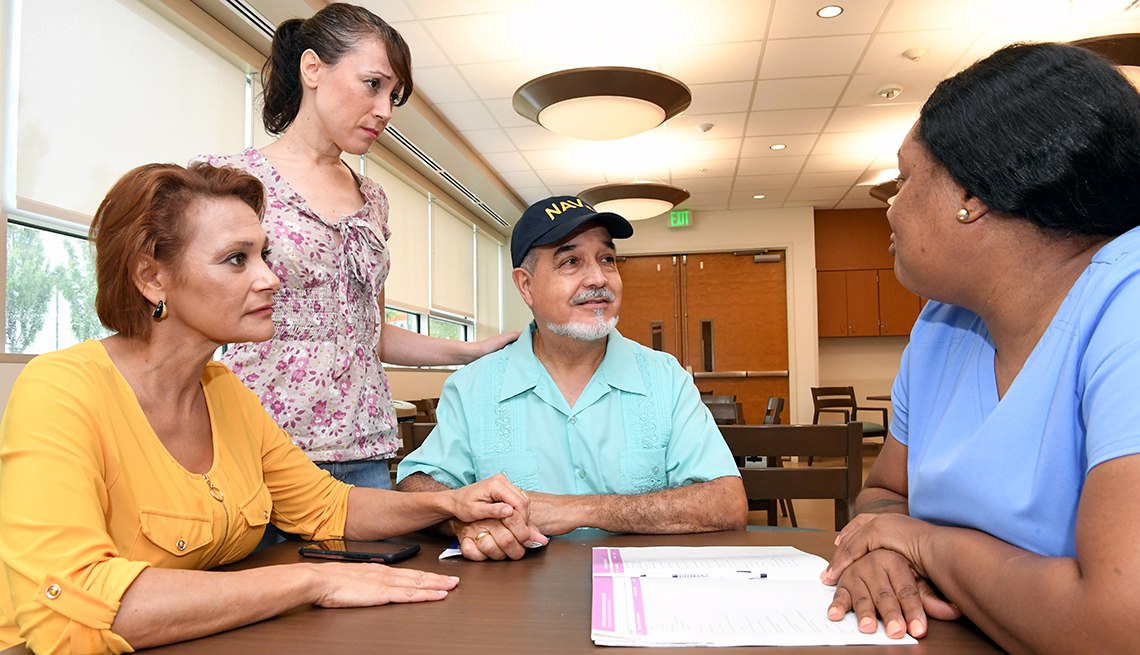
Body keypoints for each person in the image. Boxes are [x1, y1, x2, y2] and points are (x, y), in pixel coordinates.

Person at [0, 162, 534, 655]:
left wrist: (451, 504)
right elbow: (73, 606)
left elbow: (329, 507)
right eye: (237, 259)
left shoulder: (224, 392)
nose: (271, 278)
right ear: (152, 278)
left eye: (264, 254)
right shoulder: (61, 390)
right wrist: (312, 580)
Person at [818, 42, 1140, 654]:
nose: (890, 206)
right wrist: (881, 549)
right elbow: (887, 495)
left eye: (907, 178)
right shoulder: (941, 326)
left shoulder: (1129, 305)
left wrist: (924, 546)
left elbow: (1117, 627)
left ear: (975, 196)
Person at [198, 3, 517, 490]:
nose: (385, 110)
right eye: (373, 84)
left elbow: (373, 333)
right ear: (313, 69)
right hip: (259, 448)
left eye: (393, 95)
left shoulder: (373, 201)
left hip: (364, 452)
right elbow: (190, 311)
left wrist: (473, 350)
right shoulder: (229, 181)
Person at [397, 196, 748, 560]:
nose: (598, 278)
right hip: (515, 603)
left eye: (607, 259)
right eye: (570, 262)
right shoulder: (474, 386)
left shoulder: (665, 378)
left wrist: (578, 509)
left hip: (645, 595)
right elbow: (415, 488)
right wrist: (463, 521)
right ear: (526, 286)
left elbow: (726, 503)